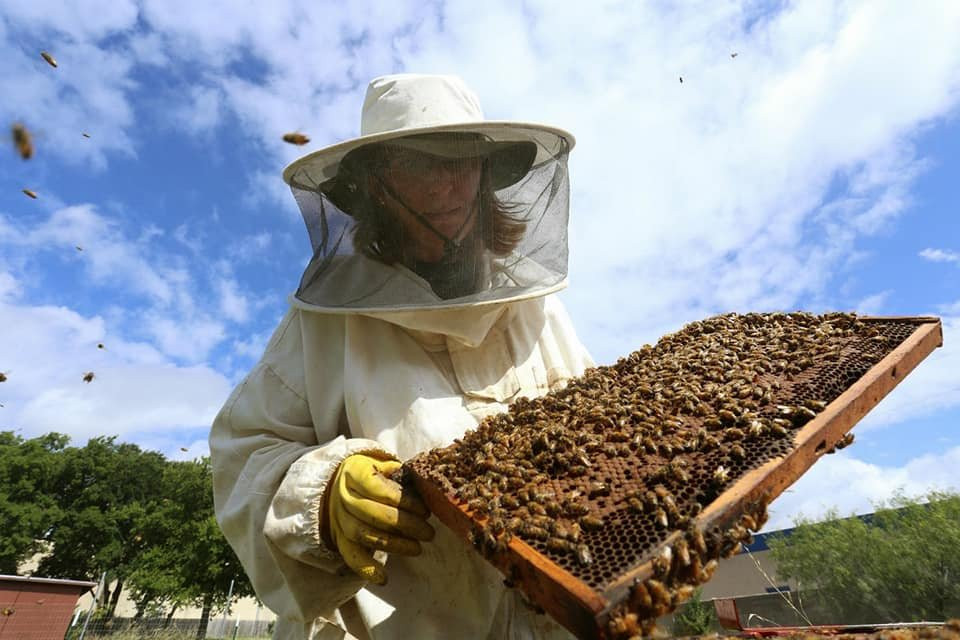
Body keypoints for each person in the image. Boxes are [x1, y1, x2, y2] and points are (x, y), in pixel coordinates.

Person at [210, 73, 594, 640]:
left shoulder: (541, 315)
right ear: (377, 188)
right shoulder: (323, 325)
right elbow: (241, 455)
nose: (442, 187)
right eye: (415, 165)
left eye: (458, 162)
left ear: (485, 175)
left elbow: (606, 441)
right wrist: (319, 499)